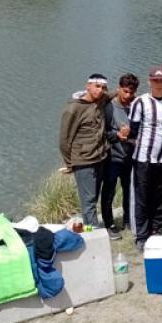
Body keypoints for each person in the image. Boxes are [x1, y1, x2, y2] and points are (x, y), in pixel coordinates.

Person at [128, 66, 162, 251]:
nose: (159, 84)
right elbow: (132, 131)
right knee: (142, 197)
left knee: (161, 196)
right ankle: (142, 236)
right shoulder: (140, 102)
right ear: (150, 81)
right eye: (155, 80)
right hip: (143, 158)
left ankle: (156, 229)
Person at [59, 73, 111, 230]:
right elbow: (64, 140)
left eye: (103, 88)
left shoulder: (100, 101)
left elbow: (114, 94)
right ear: (87, 86)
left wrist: (128, 91)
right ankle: (93, 232)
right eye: (97, 86)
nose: (100, 90)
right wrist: (70, 163)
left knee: (93, 198)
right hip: (83, 161)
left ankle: (90, 227)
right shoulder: (73, 109)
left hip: (100, 157)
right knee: (88, 200)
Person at [101, 73, 139, 239]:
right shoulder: (108, 107)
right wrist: (117, 136)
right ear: (119, 89)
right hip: (112, 157)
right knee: (109, 191)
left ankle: (128, 220)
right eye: (125, 91)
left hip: (131, 157)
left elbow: (140, 129)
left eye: (131, 92)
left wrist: (132, 135)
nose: (128, 96)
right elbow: (102, 132)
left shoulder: (136, 106)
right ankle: (109, 224)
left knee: (129, 190)